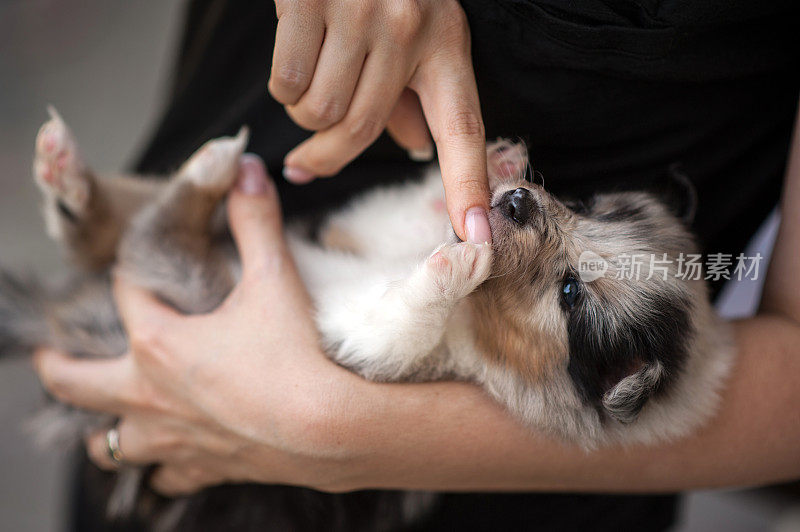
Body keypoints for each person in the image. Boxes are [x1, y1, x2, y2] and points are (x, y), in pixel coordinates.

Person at [32, 1, 800, 530]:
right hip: (181, 339)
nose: (552, 214)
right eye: (591, 213)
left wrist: (336, 426)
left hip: (511, 495)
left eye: (570, 282)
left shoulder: (592, 358)